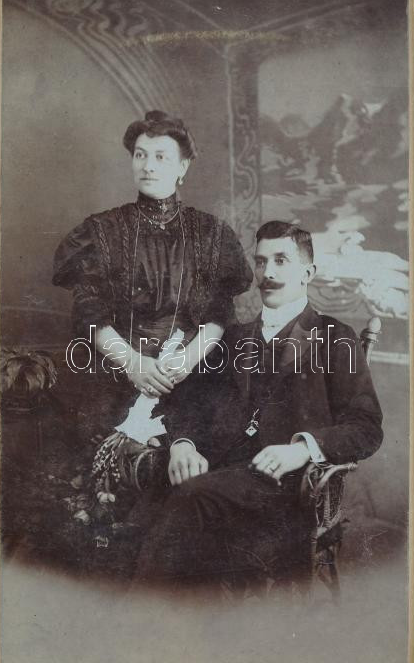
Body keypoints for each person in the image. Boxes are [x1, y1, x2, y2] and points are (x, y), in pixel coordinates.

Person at [132, 220, 384, 588]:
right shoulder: (234, 338)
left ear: (308, 273)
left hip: (286, 488)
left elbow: (366, 428)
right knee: (146, 499)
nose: (268, 273)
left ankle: (142, 613)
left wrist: (302, 449)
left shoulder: (335, 337)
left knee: (190, 500)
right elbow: (187, 402)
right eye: (262, 262)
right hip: (219, 471)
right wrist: (182, 444)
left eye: (281, 260)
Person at [52, 111, 253, 498]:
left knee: (206, 471)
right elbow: (89, 310)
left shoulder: (211, 234)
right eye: (140, 155)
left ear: (182, 167)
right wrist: (134, 364)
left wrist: (184, 363)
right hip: (117, 376)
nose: (148, 166)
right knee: (107, 485)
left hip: (192, 377)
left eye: (161, 157)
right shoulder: (102, 231)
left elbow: (219, 313)